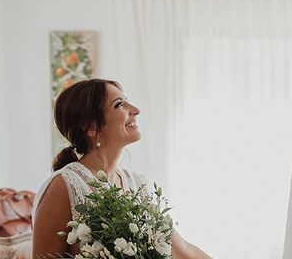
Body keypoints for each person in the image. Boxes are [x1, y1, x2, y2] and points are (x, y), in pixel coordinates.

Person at [32, 78, 212, 259]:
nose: (135, 110)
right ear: (92, 127)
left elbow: (183, 250)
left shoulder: (137, 184)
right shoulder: (65, 185)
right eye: (119, 105)